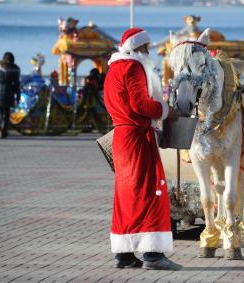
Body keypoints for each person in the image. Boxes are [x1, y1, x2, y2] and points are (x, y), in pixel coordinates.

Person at [103, 27, 181, 270]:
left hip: (122, 137)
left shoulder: (113, 69)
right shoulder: (134, 66)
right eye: (146, 47)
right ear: (137, 48)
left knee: (126, 196)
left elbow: (113, 103)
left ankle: (124, 255)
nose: (149, 51)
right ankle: (153, 254)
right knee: (151, 193)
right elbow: (140, 104)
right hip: (137, 138)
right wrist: (166, 111)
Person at [0, 52, 20, 138]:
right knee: (6, 112)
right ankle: (4, 130)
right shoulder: (15, 69)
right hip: (9, 92)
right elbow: (17, 84)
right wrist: (18, 95)